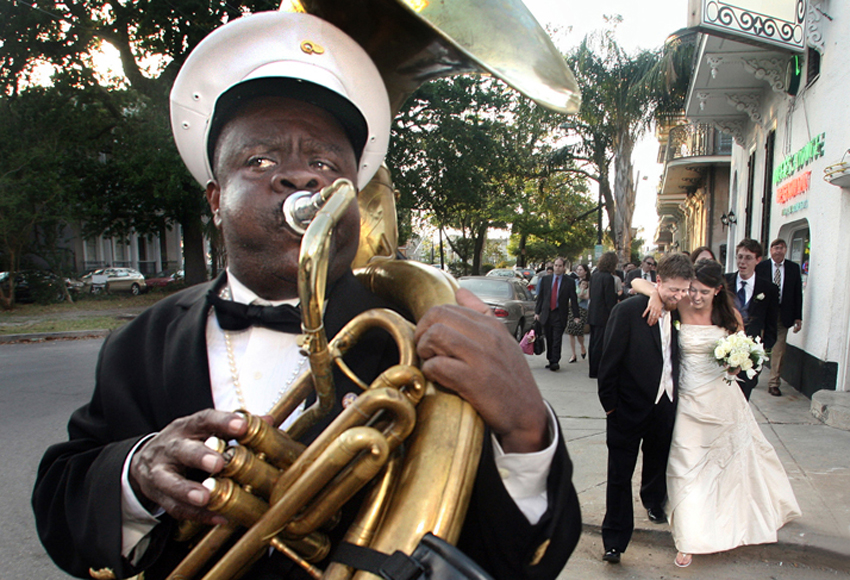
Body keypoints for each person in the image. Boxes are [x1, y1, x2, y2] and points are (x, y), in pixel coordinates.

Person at [31, 13, 581, 580]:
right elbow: (62, 501)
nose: (300, 178)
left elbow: (516, 558)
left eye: (323, 163)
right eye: (261, 161)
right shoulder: (140, 343)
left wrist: (526, 431)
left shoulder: (413, 335)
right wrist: (134, 471)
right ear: (216, 200)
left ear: (354, 198)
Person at [635, 259, 800, 567]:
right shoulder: (680, 305)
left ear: (718, 291)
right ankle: (689, 536)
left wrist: (738, 363)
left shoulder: (729, 315)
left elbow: (742, 350)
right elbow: (637, 284)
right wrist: (656, 295)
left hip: (722, 398)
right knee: (686, 464)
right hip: (687, 398)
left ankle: (732, 518)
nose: (695, 297)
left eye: (703, 292)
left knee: (730, 463)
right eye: (692, 290)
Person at [596, 253, 694, 564]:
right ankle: (614, 539)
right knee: (618, 476)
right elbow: (607, 362)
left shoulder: (681, 312)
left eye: (684, 290)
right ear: (659, 282)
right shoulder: (628, 311)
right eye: (673, 290)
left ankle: (653, 502)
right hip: (627, 408)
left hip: (664, 406)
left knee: (657, 461)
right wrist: (611, 407)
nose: (679, 296)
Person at [725, 239, 778, 400]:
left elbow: (771, 325)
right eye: (740, 257)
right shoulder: (725, 282)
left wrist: (760, 353)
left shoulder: (768, 289)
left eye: (748, 257)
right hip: (724, 352)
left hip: (750, 356)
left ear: (758, 260)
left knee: (742, 399)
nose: (742, 262)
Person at [755, 238, 803, 396]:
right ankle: (753, 374)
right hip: (764, 313)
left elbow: (797, 293)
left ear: (785, 250)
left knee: (779, 350)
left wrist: (798, 317)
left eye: (781, 248)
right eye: (775, 247)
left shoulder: (793, 268)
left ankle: (774, 382)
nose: (778, 251)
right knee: (758, 346)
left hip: (783, 314)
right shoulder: (761, 267)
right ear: (770, 250)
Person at [534, 257, 580, 371]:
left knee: (557, 338)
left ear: (564, 268)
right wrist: (537, 312)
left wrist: (576, 315)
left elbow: (573, 299)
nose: (557, 268)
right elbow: (541, 298)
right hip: (547, 313)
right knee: (549, 337)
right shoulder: (545, 280)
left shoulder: (569, 282)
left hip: (559, 313)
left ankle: (555, 361)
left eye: (560, 266)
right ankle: (550, 359)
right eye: (556, 265)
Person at [587, 251, 618, 378]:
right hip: (603, 315)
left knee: (593, 342)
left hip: (593, 312)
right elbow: (609, 299)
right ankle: (597, 370)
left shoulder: (594, 276)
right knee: (600, 344)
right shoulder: (608, 278)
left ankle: (592, 368)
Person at [565, 263, 590, 363]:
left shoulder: (589, 283)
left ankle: (582, 346)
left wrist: (580, 293)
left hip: (583, 308)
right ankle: (573, 354)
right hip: (572, 307)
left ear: (585, 271)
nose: (579, 272)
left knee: (579, 331)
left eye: (581, 270)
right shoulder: (573, 282)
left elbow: (586, 297)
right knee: (571, 330)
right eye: (577, 270)